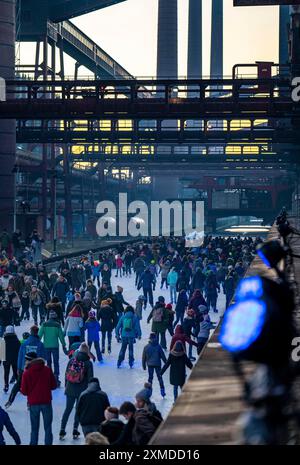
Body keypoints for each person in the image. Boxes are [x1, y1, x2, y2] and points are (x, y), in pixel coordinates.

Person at [20, 352, 57, 445]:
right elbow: (54, 385)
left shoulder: (27, 373)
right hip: (46, 402)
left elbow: (24, 391)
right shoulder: (47, 370)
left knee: (34, 428)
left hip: (33, 403)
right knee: (48, 427)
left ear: (29, 360)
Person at [60, 343, 94, 440]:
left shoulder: (72, 360)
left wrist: (66, 386)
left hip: (70, 389)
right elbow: (90, 378)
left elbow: (66, 374)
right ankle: (75, 429)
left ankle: (62, 429)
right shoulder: (88, 363)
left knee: (67, 409)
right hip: (82, 391)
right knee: (78, 411)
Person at [38, 310, 67, 386]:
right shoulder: (57, 325)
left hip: (46, 346)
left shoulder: (44, 324)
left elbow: (39, 335)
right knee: (56, 362)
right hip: (55, 346)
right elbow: (61, 336)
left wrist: (37, 343)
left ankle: (49, 377)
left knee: (48, 362)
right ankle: (56, 378)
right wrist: (64, 345)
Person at [142, 333, 167, 397]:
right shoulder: (158, 346)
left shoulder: (146, 347)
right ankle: (162, 391)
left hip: (150, 364)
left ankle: (148, 392)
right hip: (157, 364)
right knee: (160, 378)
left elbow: (143, 357)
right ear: (155, 338)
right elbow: (162, 356)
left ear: (150, 339)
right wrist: (166, 363)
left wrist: (144, 365)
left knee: (150, 378)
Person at [2, 326, 20, 393]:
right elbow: (19, 350)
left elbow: (1, 352)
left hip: (6, 360)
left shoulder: (3, 340)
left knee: (6, 373)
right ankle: (18, 386)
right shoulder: (16, 340)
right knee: (15, 373)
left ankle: (6, 385)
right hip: (15, 359)